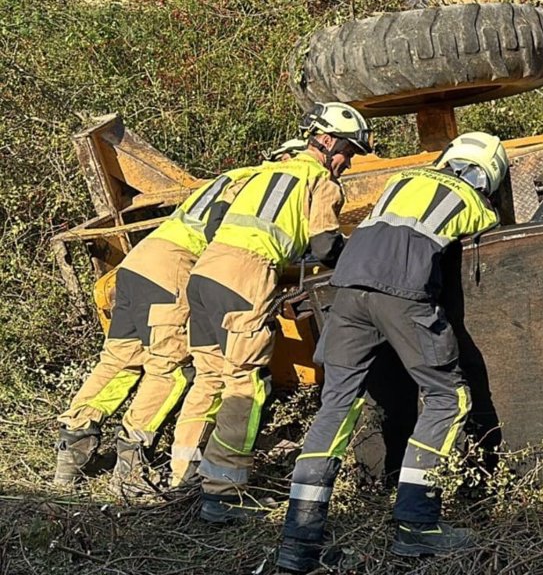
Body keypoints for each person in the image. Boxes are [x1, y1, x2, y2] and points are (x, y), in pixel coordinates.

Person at [276, 132, 508, 571]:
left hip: (346, 291)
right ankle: (417, 527)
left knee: (335, 408)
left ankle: (299, 539)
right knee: (448, 397)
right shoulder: (472, 200)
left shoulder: (402, 181)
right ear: (488, 175)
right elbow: (493, 245)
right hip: (402, 293)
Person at [175, 103, 373, 522]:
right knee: (247, 384)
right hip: (246, 276)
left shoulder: (262, 173)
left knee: (211, 376)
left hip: (204, 272)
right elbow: (324, 245)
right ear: (327, 141)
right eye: (349, 151)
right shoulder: (320, 180)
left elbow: (217, 224)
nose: (348, 162)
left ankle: (186, 474)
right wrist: (360, 255)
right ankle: (224, 495)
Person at [54, 165, 256, 495]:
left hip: (138, 262)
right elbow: (221, 233)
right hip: (173, 267)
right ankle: (132, 467)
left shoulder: (233, 176)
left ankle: (73, 446)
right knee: (170, 369)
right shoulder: (266, 184)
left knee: (121, 359)